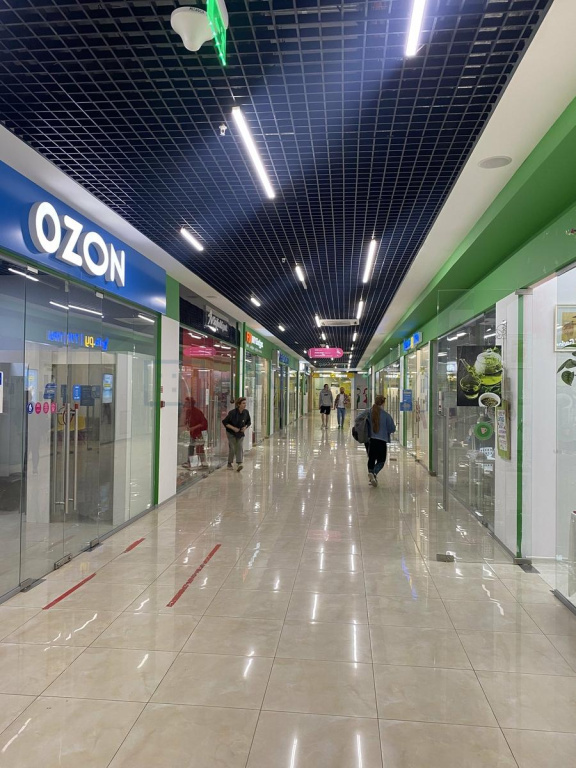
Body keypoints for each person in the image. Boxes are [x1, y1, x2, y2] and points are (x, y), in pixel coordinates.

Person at [366, 394, 396, 487]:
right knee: (381, 461)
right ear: (383, 403)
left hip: (371, 440)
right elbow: (392, 429)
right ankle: (374, 473)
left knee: (371, 459)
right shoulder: (386, 415)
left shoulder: (369, 412)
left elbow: (360, 420)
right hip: (381, 441)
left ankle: (371, 475)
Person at [222, 396, 251, 472]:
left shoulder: (246, 412)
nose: (245, 405)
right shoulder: (232, 413)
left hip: (240, 433)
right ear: (239, 404)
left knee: (239, 447)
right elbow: (225, 422)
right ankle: (229, 463)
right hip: (231, 433)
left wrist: (245, 427)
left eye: (245, 403)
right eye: (243, 403)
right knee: (232, 448)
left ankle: (239, 463)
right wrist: (233, 428)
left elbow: (248, 422)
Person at [183, 397, 208, 470]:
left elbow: (202, 423)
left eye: (186, 402)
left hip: (200, 432)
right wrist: (187, 425)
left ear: (190, 403)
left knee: (199, 448)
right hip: (193, 432)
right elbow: (187, 421)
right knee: (191, 446)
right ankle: (190, 462)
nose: (185, 404)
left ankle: (203, 462)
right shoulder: (188, 411)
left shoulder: (197, 412)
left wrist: (193, 428)